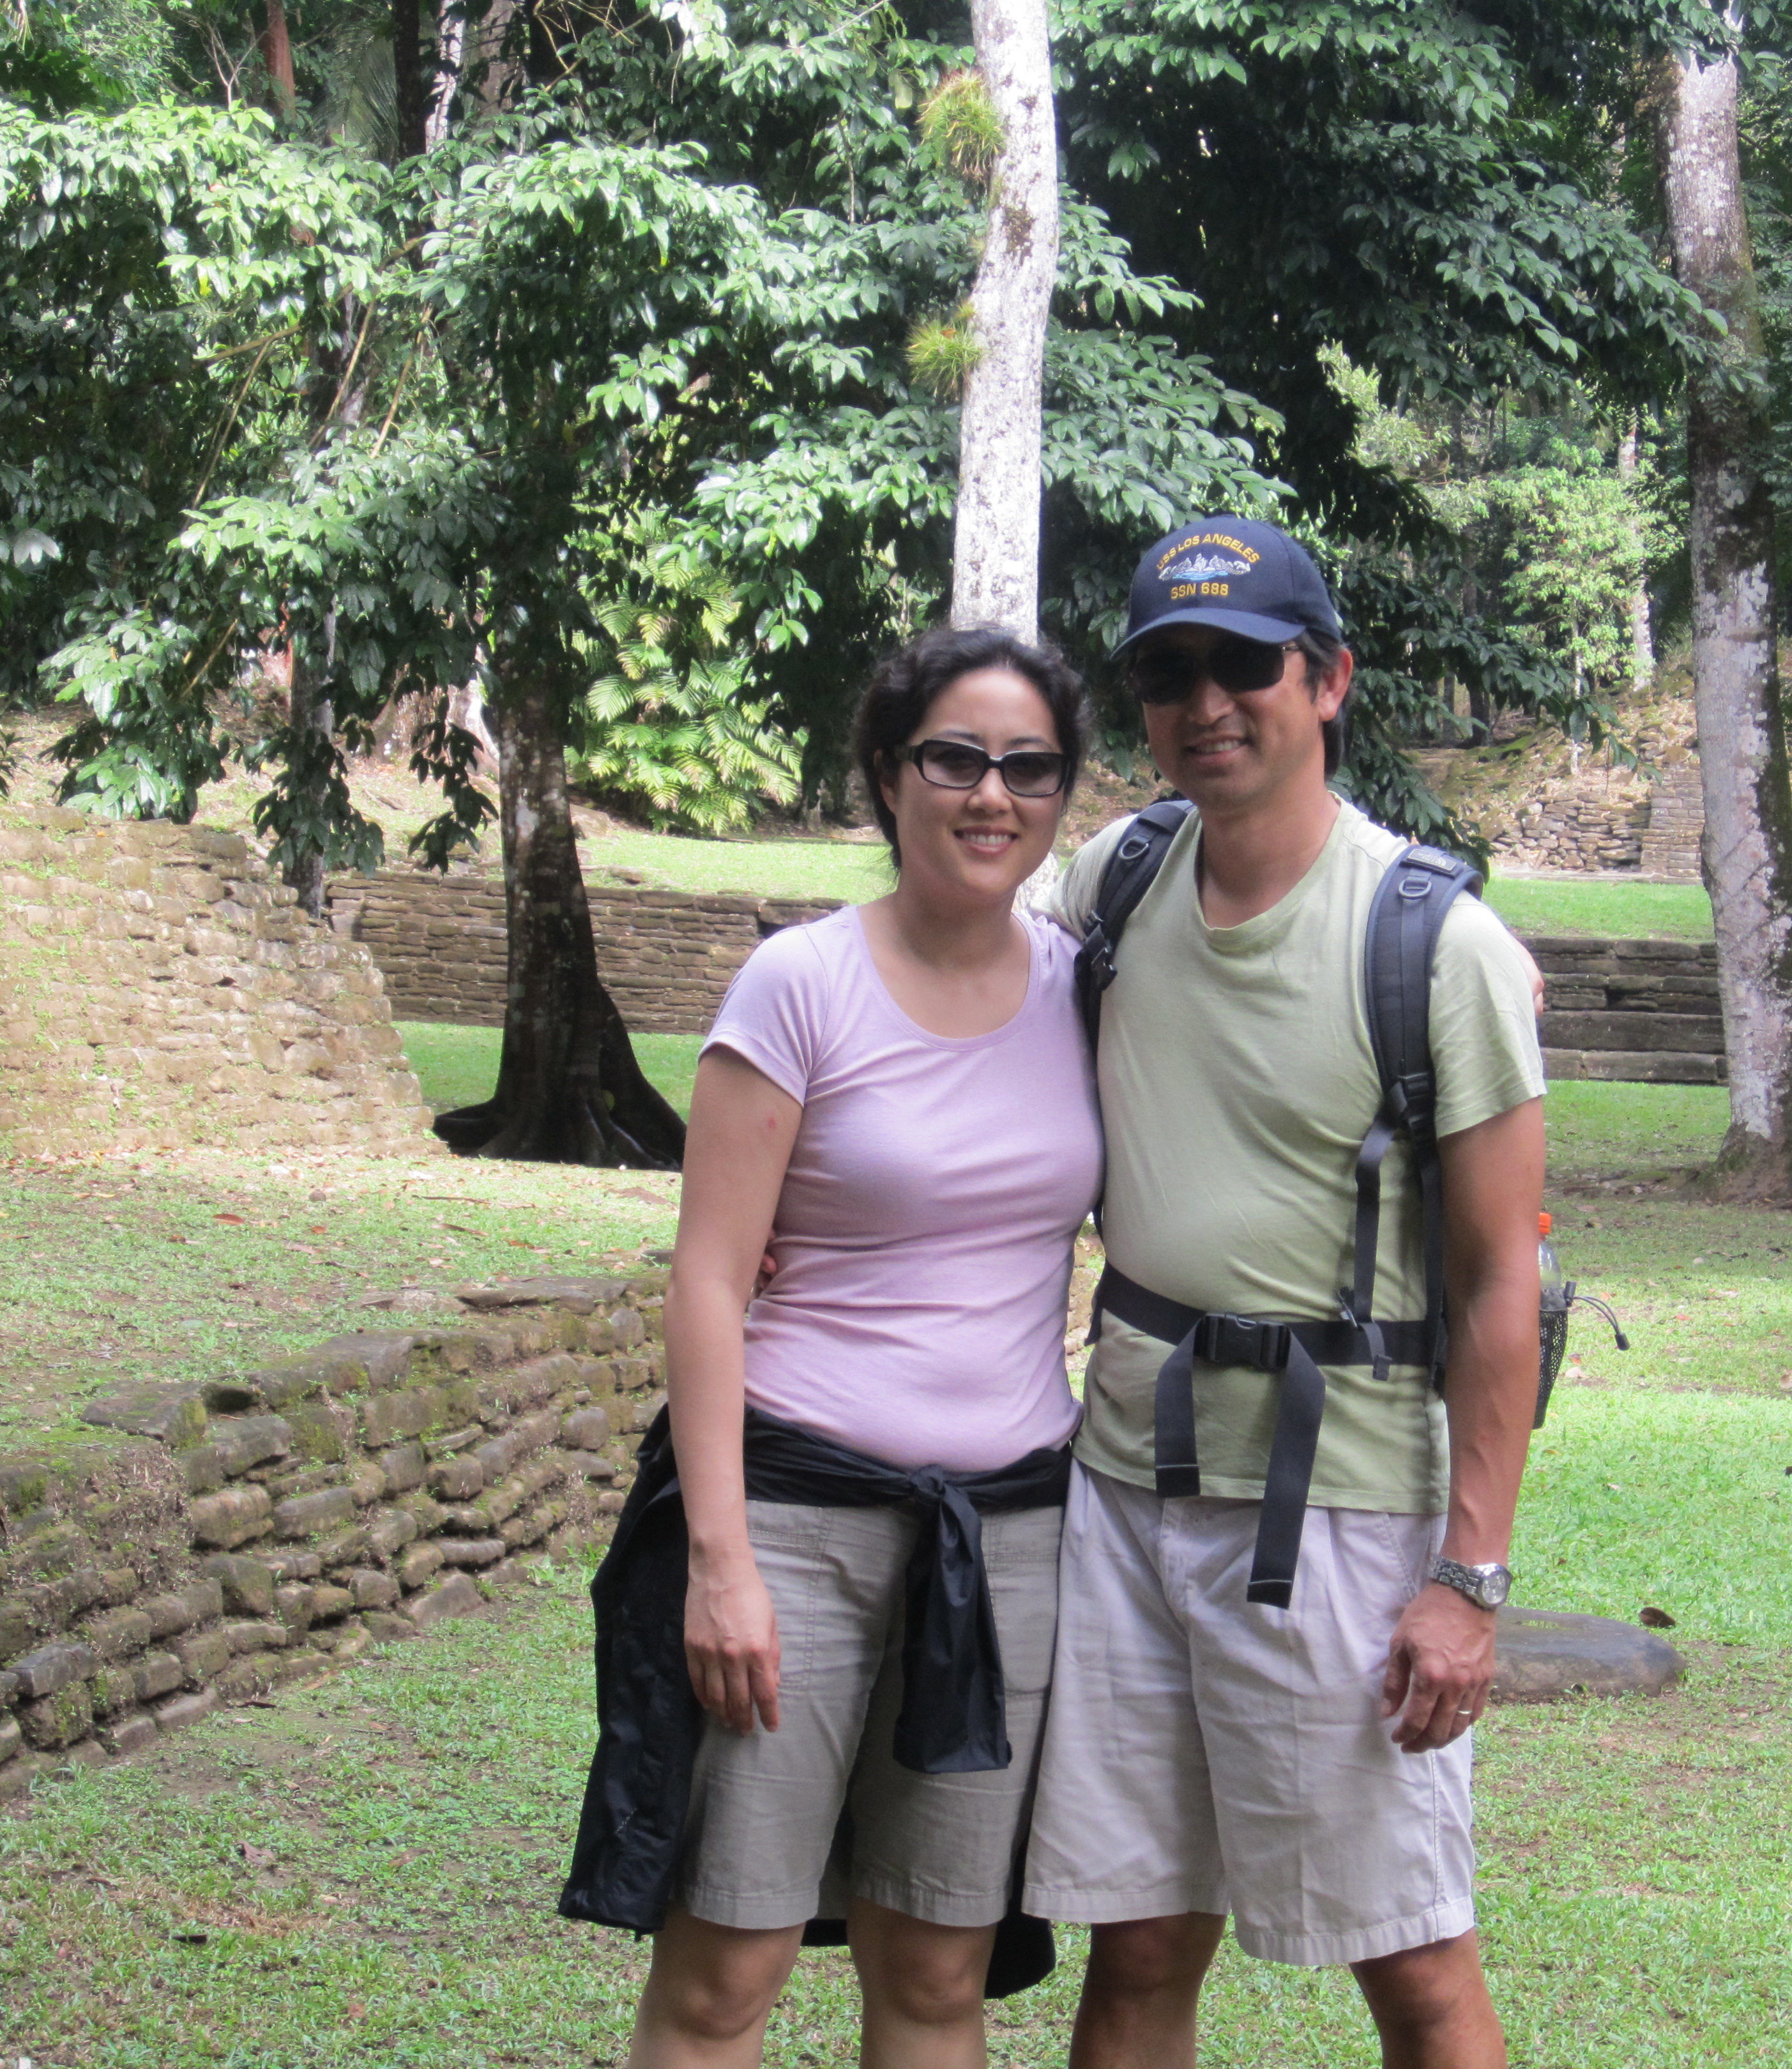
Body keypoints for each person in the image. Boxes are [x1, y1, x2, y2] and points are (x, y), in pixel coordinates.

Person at [1021, 519, 1550, 2069]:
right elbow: (952, 985)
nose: (1208, 704)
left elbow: (1498, 1285)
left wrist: (1469, 1579)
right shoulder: (1116, 884)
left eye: (1246, 665)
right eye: (1170, 672)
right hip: (1128, 1483)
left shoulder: (1433, 942)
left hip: (1341, 1509)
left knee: (1413, 1958)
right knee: (1136, 1945)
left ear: (1327, 680)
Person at [559, 626, 1100, 2069]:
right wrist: (720, 1563)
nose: (993, 795)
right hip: (794, 1521)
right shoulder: (801, 983)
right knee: (726, 1968)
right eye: (956, 758)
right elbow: (707, 1280)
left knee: (936, 1972)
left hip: (1006, 1542)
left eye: (1031, 767)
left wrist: (1477, 952)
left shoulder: (1088, 987)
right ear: (888, 772)